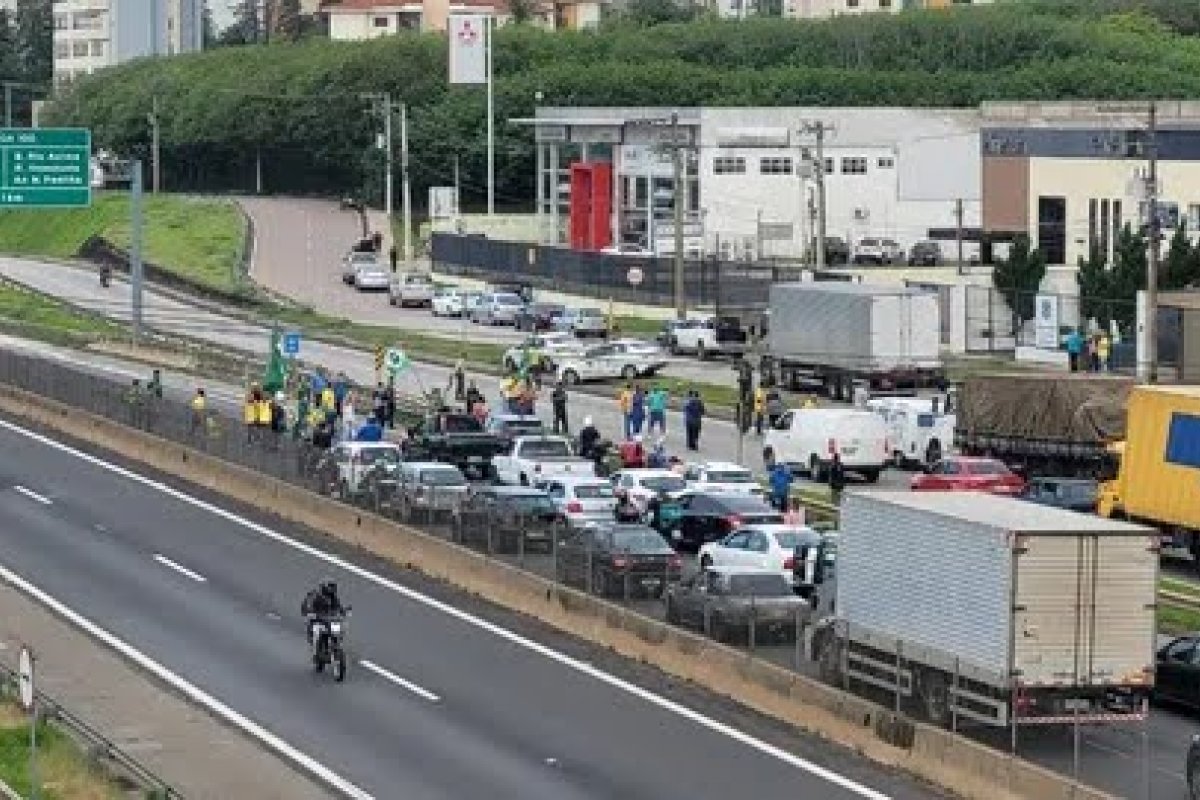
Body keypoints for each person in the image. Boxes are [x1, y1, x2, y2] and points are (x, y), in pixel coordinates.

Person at [301, 580, 347, 654]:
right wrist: (309, 612)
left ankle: (336, 643)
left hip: (328, 619)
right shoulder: (314, 595)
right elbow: (306, 604)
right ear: (324, 587)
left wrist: (343, 612)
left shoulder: (333, 598)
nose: (332, 590)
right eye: (330, 587)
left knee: (338, 627)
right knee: (315, 629)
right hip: (316, 619)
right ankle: (315, 644)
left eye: (333, 587)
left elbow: (338, 607)